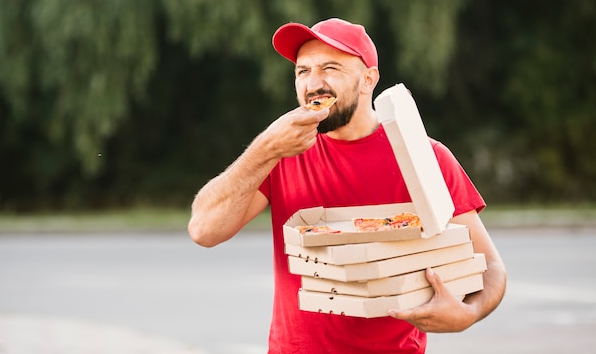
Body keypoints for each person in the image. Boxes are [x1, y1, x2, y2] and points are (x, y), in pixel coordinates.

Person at [189, 18, 506, 353]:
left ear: (368, 79)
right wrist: (264, 148)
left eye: (330, 68)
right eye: (302, 71)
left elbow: (491, 266)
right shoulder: (281, 153)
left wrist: (468, 313)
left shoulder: (425, 155)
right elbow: (204, 231)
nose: (314, 83)